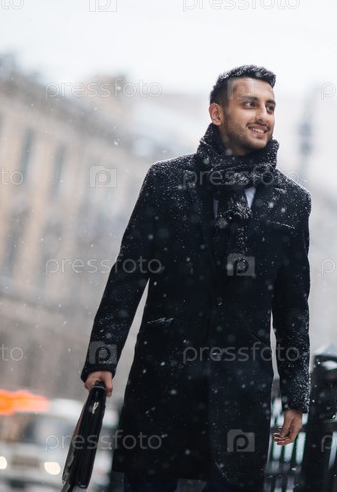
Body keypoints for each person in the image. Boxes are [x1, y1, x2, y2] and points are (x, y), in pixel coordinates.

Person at [81, 65, 311, 491]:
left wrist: (296, 393)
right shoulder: (167, 181)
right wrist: (102, 357)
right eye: (250, 104)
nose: (263, 116)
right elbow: (128, 274)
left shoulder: (292, 202)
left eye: (270, 107)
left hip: (240, 394)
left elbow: (292, 307)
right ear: (217, 113)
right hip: (164, 380)